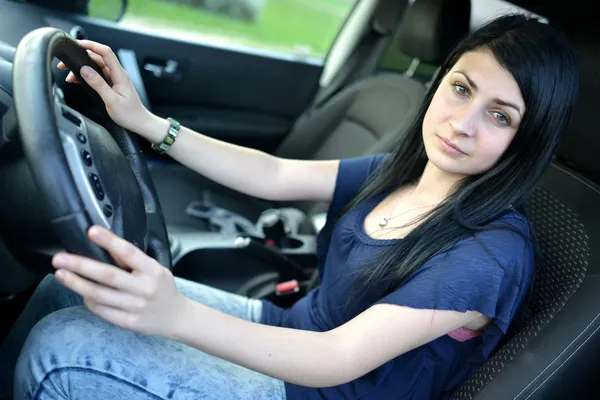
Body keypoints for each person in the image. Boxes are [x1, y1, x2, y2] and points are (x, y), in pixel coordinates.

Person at [0, 13, 579, 400]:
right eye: (461, 88)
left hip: (311, 389)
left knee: (61, 348)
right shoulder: (404, 172)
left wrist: (175, 315)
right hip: (285, 329)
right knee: (68, 289)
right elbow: (274, 174)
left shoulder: (489, 255)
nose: (464, 123)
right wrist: (150, 125)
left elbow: (335, 357)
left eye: (501, 116)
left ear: (527, 139)